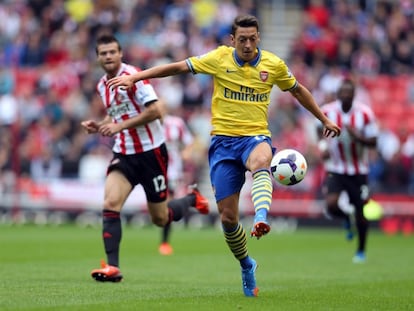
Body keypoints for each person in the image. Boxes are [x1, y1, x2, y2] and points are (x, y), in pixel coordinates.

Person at [107, 15, 341, 297]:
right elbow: (179, 67)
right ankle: (246, 264)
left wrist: (324, 119)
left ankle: (261, 217)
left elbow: (298, 90)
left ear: (259, 38)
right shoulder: (219, 58)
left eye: (252, 38)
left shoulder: (273, 65)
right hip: (223, 144)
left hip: (255, 137)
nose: (247, 44)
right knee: (228, 218)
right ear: (232, 40)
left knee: (262, 161)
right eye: (242, 39)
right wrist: (137, 76)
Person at [81, 34, 209, 283]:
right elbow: (117, 116)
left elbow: (155, 111)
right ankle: (113, 267)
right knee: (110, 203)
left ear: (120, 54)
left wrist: (119, 127)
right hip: (124, 154)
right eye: (103, 53)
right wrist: (101, 125)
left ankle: (192, 198)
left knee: (160, 219)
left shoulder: (134, 77)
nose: (107, 56)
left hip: (151, 154)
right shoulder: (101, 86)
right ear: (98, 57)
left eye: (111, 52)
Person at [317, 78, 378, 263]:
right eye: (341, 92)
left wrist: (357, 136)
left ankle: (361, 251)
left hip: (358, 170)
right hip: (336, 168)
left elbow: (374, 141)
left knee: (361, 210)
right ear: (337, 95)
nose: (344, 95)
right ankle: (346, 218)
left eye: (348, 92)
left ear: (353, 95)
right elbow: (317, 128)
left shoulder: (365, 114)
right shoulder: (328, 111)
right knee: (331, 204)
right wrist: (322, 147)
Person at [158, 102, 198, 256]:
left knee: (168, 203)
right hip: (153, 169)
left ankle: (164, 242)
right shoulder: (148, 123)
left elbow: (189, 141)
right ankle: (191, 200)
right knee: (159, 206)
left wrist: (186, 153)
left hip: (172, 170)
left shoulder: (176, 123)